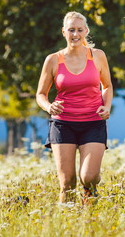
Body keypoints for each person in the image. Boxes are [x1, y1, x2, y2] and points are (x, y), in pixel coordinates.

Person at [36, 11, 113, 203]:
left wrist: (107, 106)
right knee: (67, 183)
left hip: (93, 122)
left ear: (86, 31)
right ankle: (67, 224)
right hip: (63, 124)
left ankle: (90, 216)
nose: (75, 34)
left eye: (79, 30)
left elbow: (108, 86)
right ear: (64, 32)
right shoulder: (53, 60)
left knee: (89, 177)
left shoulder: (98, 56)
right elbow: (40, 94)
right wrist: (48, 106)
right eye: (71, 30)